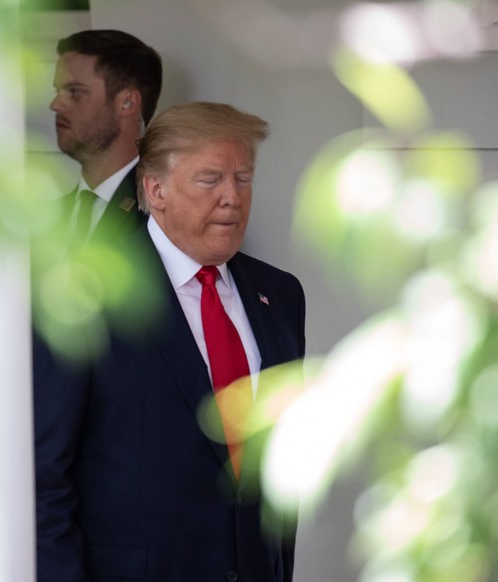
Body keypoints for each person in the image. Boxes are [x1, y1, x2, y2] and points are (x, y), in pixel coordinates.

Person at [33, 101, 306, 581]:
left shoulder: (279, 295)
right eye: (211, 180)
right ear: (155, 189)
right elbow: (44, 478)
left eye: (243, 178)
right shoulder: (87, 292)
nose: (232, 197)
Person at [50, 29, 162, 244]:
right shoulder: (43, 220)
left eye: (75, 91)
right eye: (57, 91)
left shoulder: (164, 216)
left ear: (127, 103)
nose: (55, 105)